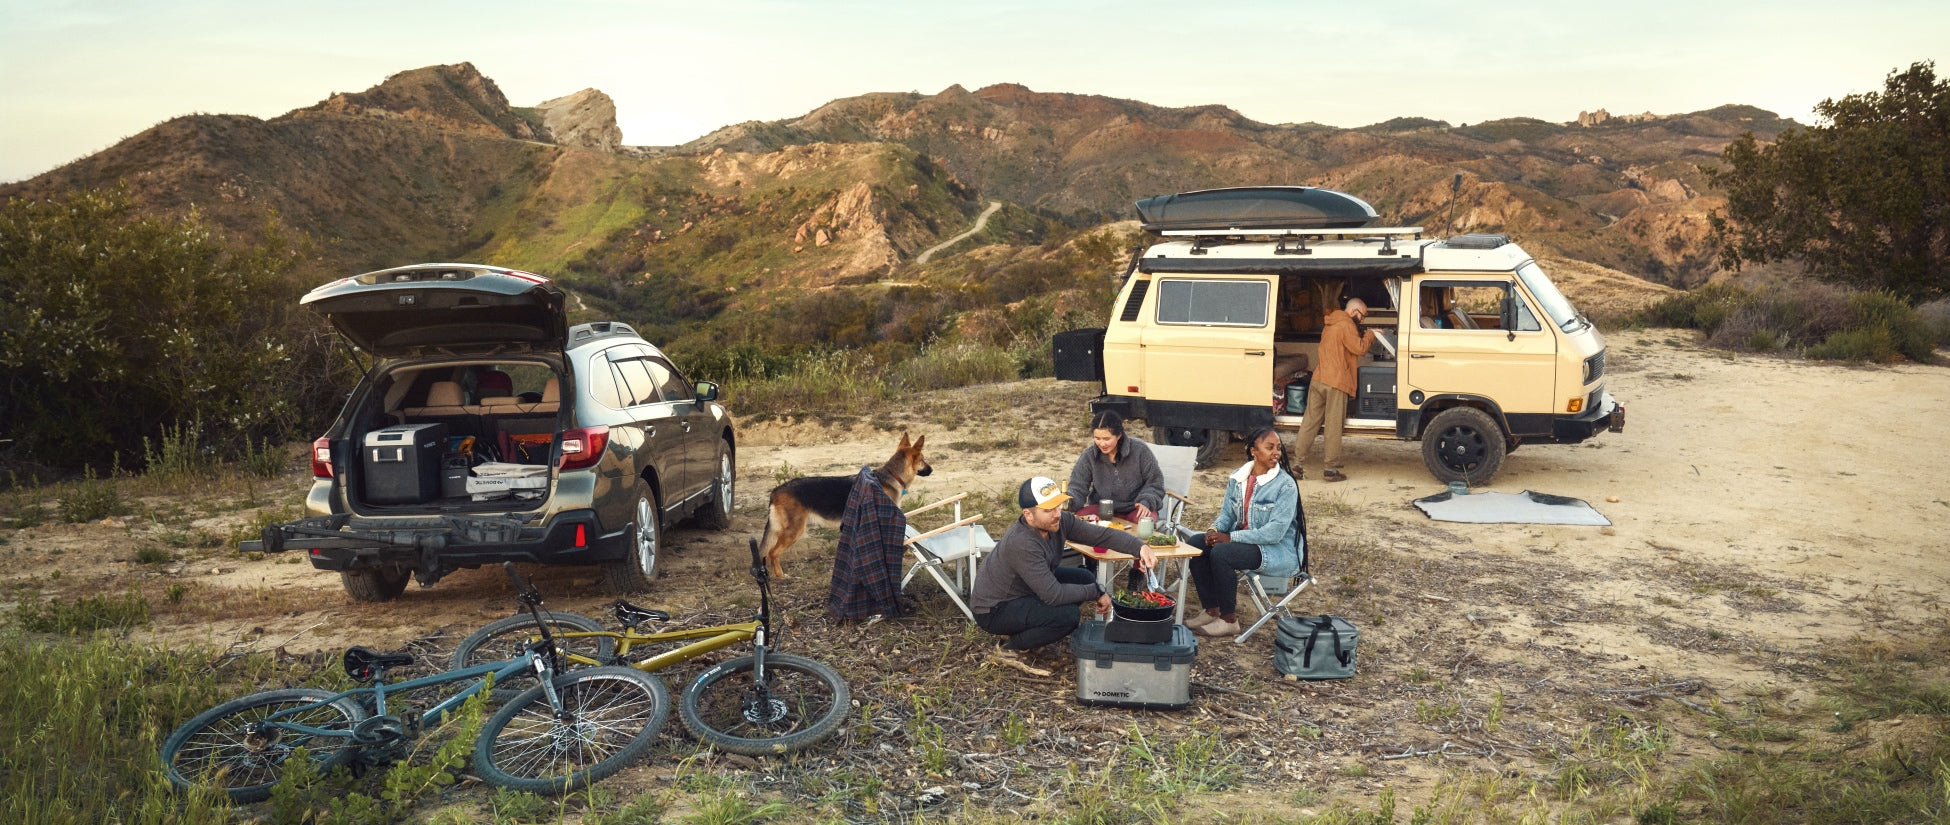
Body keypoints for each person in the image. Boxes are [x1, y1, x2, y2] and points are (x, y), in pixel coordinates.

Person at [970, 476, 1158, 663]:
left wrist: (1139, 547)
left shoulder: (1060, 522)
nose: (1057, 514)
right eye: (1048, 510)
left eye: (1058, 506)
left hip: (1024, 590)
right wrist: (1096, 592)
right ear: (1028, 514)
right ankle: (1011, 647)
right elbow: (1054, 595)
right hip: (994, 609)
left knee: (1084, 578)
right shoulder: (1022, 543)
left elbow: (1101, 535)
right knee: (1068, 616)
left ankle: (1024, 631)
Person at [1183, 427, 1301, 637]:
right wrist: (1214, 530)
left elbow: (1274, 533)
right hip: (1246, 543)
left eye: (1278, 448)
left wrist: (1229, 537)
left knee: (1222, 552)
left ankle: (1229, 620)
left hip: (1275, 550)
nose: (1277, 453)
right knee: (1196, 543)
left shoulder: (1286, 486)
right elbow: (1227, 515)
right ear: (1253, 450)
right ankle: (1212, 609)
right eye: (1270, 447)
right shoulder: (1238, 478)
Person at [1293, 297, 1377, 482]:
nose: (1362, 320)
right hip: (1336, 382)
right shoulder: (1346, 325)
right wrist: (1371, 334)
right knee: (1333, 426)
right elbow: (1360, 348)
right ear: (1354, 310)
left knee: (1309, 423)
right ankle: (1330, 469)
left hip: (1318, 378)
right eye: (1362, 315)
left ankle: (1297, 465)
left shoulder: (1330, 323)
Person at [1066, 410, 1165, 525]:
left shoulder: (1140, 450)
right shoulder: (1089, 456)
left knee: (1145, 521)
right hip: (1101, 509)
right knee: (1078, 520)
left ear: (1119, 435)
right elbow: (1077, 486)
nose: (1102, 444)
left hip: (1134, 509)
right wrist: (1069, 502)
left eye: (1107, 439)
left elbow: (1155, 482)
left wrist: (1146, 501)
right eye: (1097, 438)